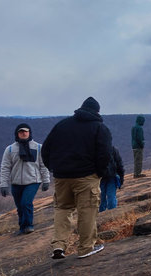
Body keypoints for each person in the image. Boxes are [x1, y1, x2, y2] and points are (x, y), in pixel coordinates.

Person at [42, 97, 112, 259]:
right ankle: (86, 248)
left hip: (62, 177)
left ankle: (58, 246)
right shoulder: (99, 128)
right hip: (86, 176)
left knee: (63, 209)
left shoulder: (62, 125)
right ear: (97, 111)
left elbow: (46, 149)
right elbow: (105, 154)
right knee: (87, 211)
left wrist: (54, 168)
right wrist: (99, 172)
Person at [0, 123, 51, 234]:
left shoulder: (38, 147)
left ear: (29, 132)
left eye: (26, 131)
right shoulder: (10, 149)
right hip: (16, 182)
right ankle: (22, 227)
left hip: (33, 181)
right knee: (19, 207)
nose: (23, 133)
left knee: (26, 203)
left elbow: (44, 165)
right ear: (17, 134)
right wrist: (3, 184)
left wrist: (46, 180)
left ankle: (28, 225)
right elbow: (5, 168)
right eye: (21, 131)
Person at [99, 146, 124, 212]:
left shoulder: (95, 149)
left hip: (101, 178)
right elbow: (119, 164)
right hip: (111, 176)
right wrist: (121, 178)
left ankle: (101, 216)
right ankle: (112, 215)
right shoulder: (113, 149)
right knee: (111, 197)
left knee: (101, 199)